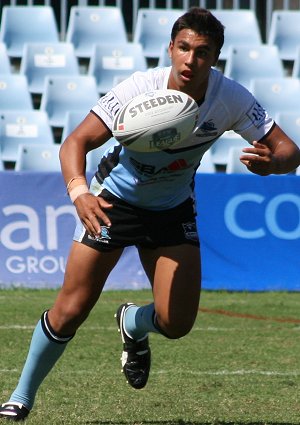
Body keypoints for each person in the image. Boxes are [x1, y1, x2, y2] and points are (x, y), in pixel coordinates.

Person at [1, 7, 300, 422]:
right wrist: (80, 193)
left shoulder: (229, 97)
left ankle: (133, 323)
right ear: (170, 47)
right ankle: (21, 395)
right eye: (183, 48)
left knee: (177, 323)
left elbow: (288, 150)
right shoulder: (139, 88)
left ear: (215, 58)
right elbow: (75, 142)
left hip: (172, 209)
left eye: (202, 51)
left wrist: (275, 163)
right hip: (112, 204)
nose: (190, 60)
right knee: (71, 309)